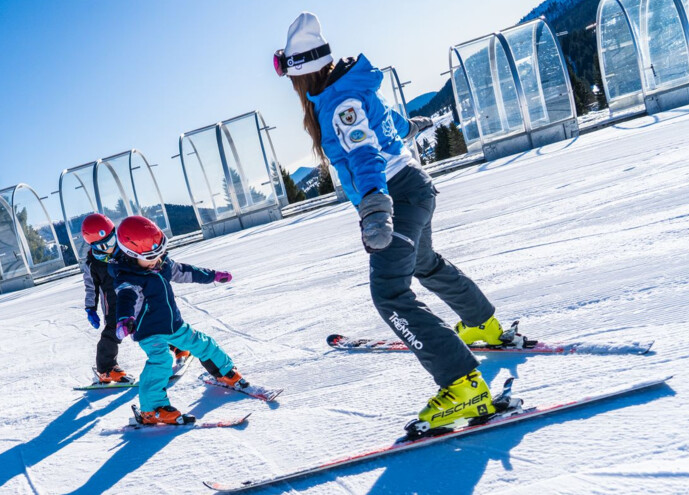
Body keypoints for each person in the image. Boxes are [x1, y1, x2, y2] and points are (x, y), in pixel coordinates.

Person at [274, 12, 514, 431]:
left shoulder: (338, 103)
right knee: (424, 263)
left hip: (396, 195)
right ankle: (483, 324)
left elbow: (366, 155)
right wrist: (412, 125)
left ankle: (464, 386)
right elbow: (388, 124)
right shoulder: (348, 87)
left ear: (300, 74)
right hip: (412, 188)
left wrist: (374, 208)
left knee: (390, 293)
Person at [109, 215, 242, 425]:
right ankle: (151, 410)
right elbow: (126, 298)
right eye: (150, 257)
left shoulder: (162, 265)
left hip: (174, 324)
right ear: (130, 254)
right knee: (161, 361)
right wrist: (125, 320)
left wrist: (213, 276)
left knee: (202, 343)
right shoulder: (128, 278)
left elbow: (187, 272)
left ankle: (224, 372)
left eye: (159, 253)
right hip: (148, 331)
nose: (156, 260)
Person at [80, 213, 131, 383]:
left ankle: (176, 345)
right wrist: (90, 308)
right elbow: (90, 287)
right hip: (113, 302)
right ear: (94, 246)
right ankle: (106, 369)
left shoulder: (125, 248)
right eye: (104, 245)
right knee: (112, 332)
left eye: (112, 240)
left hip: (135, 295)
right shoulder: (93, 263)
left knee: (153, 319)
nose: (110, 247)